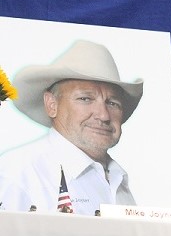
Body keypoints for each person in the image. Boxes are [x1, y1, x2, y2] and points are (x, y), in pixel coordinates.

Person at [0, 40, 143, 215]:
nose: (104, 115)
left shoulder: (117, 178)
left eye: (112, 103)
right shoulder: (17, 173)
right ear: (51, 104)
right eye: (85, 99)